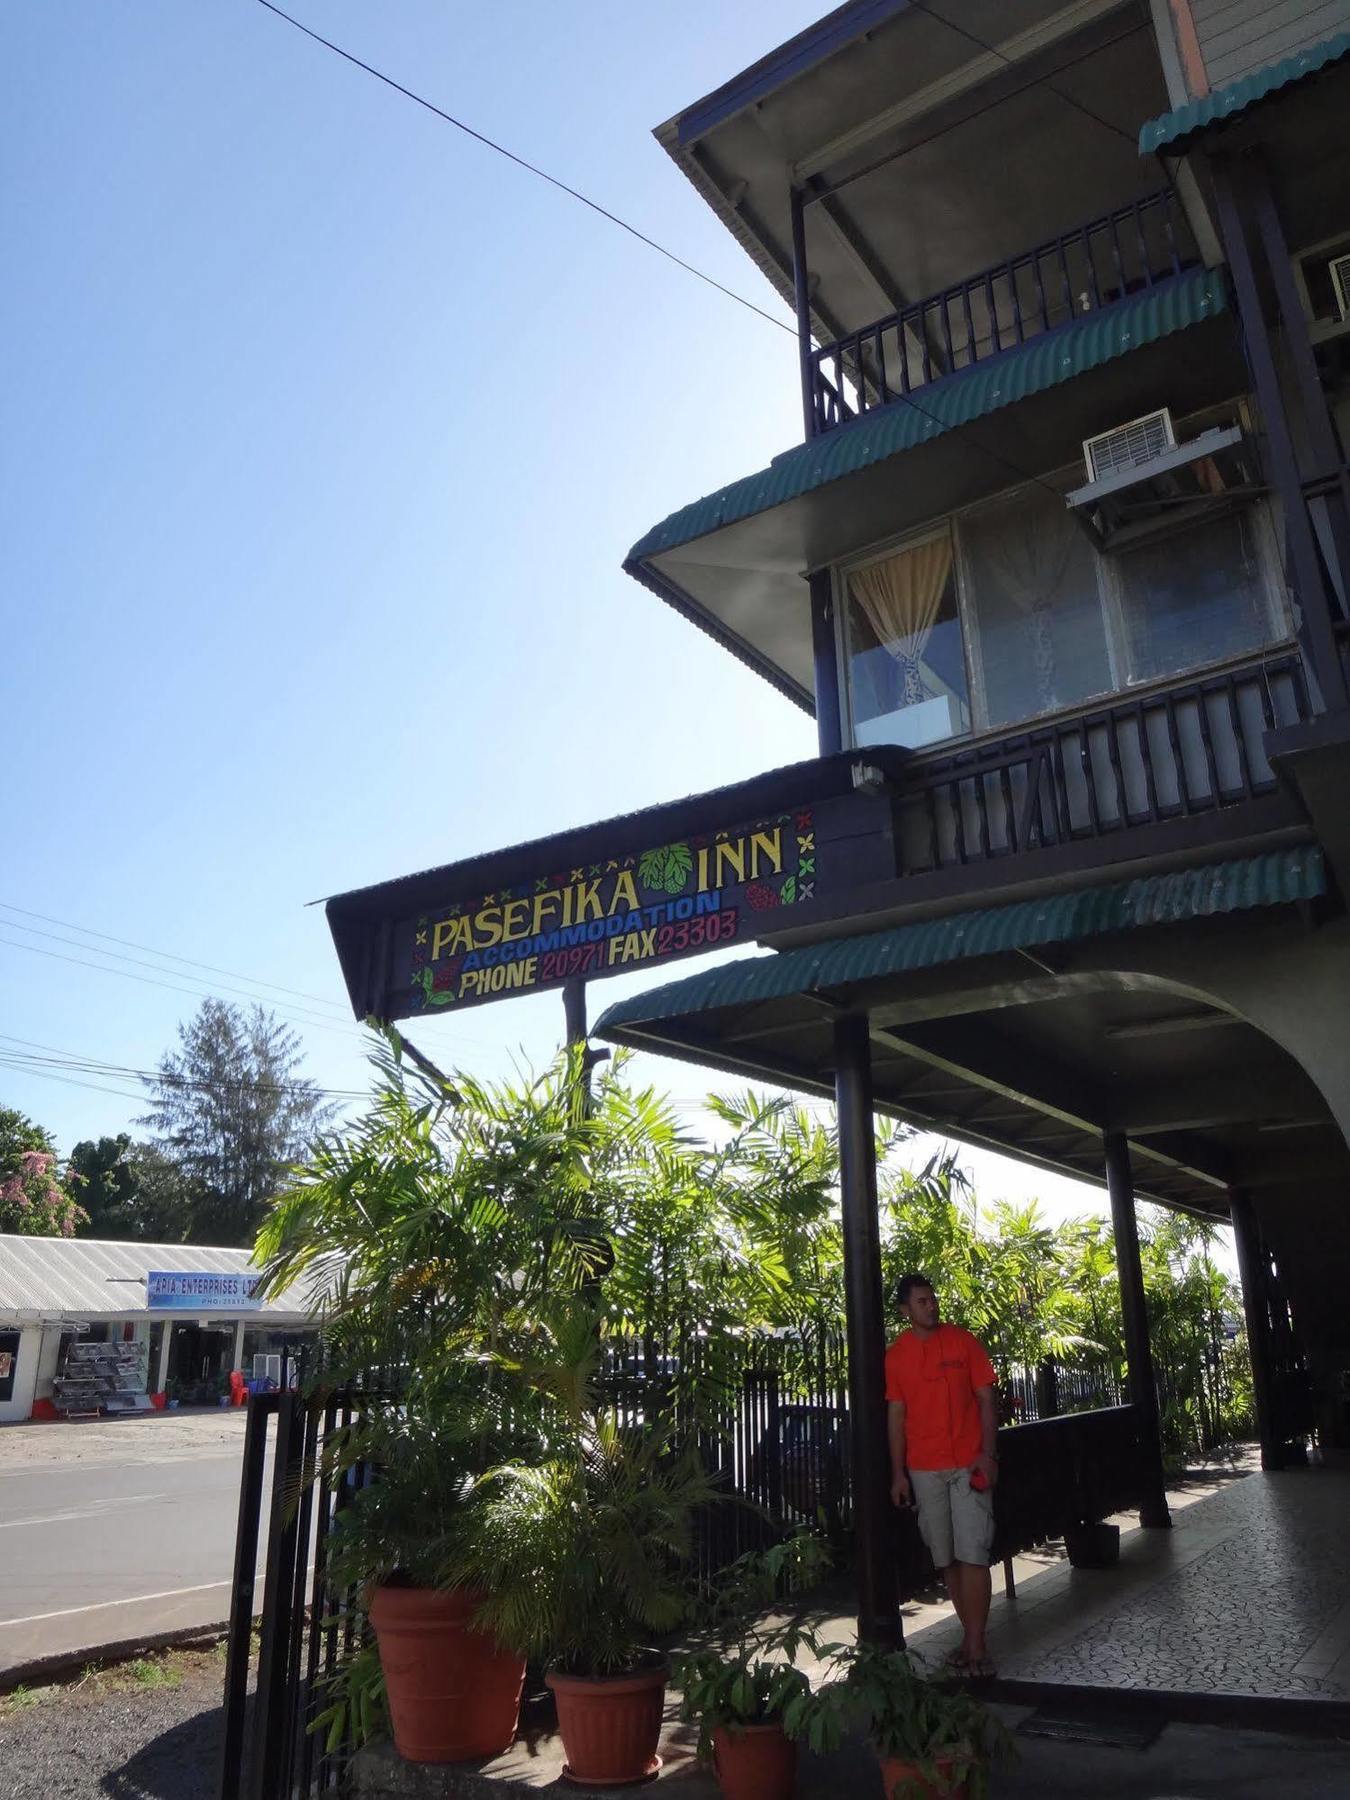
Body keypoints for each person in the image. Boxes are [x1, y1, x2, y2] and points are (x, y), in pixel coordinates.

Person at [886, 1272, 999, 1677]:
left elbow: (987, 1399)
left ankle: (977, 1644)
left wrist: (988, 1455)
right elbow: (896, 1415)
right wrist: (898, 1474)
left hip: (968, 1464)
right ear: (904, 1309)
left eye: (932, 1299)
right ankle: (970, 1640)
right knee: (947, 1557)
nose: (931, 1306)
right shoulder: (896, 1355)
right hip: (924, 1469)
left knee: (974, 1553)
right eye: (921, 1301)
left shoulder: (962, 1341)